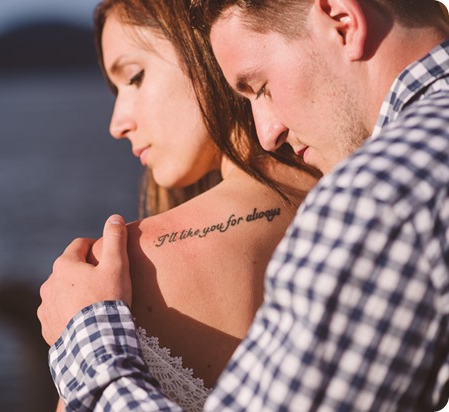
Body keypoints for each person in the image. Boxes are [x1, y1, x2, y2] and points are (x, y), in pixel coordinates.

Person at [39, 0, 449, 410]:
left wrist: (88, 342)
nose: (116, 123)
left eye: (135, 76)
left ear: (201, 59)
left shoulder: (373, 201)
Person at [43, 0, 318, 410]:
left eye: (134, 77)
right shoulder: (365, 203)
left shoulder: (113, 278)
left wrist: (87, 330)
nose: (117, 123)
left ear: (208, 50)